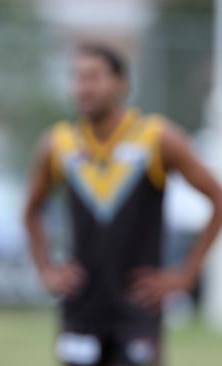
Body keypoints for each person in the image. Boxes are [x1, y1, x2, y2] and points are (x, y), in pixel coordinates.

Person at [24, 43, 222, 366]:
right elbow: (31, 209)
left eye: (93, 77)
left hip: (138, 308)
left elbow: (218, 198)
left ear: (122, 84)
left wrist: (185, 275)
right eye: (77, 78)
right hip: (81, 307)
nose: (82, 87)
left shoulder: (157, 138)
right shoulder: (57, 144)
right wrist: (46, 269)